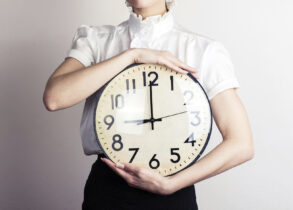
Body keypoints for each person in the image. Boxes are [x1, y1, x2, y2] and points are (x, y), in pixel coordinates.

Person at [42, 0, 254, 209]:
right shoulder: (97, 40)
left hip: (173, 193)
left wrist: (171, 185)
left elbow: (241, 144)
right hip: (108, 190)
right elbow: (54, 98)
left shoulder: (201, 49)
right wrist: (133, 55)